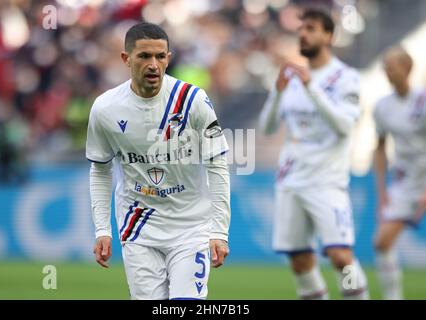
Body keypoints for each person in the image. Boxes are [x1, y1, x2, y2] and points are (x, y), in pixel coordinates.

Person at [86, 22, 231, 300]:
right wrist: (103, 229)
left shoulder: (193, 101)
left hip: (191, 227)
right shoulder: (105, 109)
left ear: (169, 58)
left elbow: (217, 165)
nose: (153, 64)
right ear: (126, 59)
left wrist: (219, 231)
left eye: (160, 56)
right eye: (144, 56)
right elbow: (100, 169)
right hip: (138, 226)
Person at [259, 8, 368, 299]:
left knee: (341, 258)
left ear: (329, 35)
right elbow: (267, 127)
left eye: (311, 28)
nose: (303, 34)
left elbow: (345, 126)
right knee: (300, 261)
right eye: (301, 29)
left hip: (327, 181)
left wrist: (311, 87)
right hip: (291, 179)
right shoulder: (291, 77)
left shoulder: (346, 77)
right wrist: (279, 91)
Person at [373, 46, 426, 300]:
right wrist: (382, 191)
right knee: (381, 242)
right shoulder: (382, 106)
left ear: (406, 68)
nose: (385, 70)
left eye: (390, 65)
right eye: (384, 65)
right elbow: (380, 148)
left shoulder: (423, 100)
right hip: (406, 183)